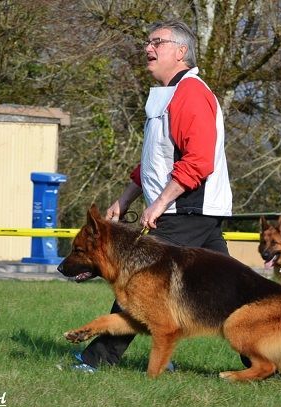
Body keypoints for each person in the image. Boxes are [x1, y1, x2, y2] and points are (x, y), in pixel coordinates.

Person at [72, 20, 233, 372]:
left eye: (156, 42)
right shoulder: (168, 95)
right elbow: (154, 160)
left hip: (186, 208)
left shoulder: (191, 92)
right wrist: (126, 198)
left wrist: (160, 203)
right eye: (147, 41)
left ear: (180, 52)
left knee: (139, 283)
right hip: (187, 210)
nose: (148, 48)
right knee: (231, 294)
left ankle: (96, 360)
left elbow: (198, 161)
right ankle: (277, 360)